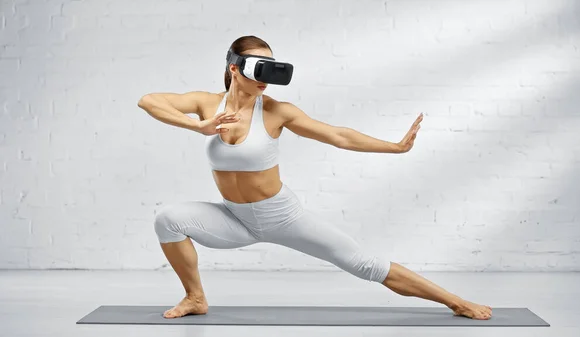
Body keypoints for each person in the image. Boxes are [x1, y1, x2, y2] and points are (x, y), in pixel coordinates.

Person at [137, 35, 492, 320]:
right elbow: (149, 100)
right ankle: (195, 297)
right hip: (233, 217)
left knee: (364, 264)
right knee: (168, 219)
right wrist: (198, 126)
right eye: (260, 68)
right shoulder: (205, 104)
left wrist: (395, 147)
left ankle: (456, 302)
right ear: (234, 68)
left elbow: (338, 135)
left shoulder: (277, 111)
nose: (267, 79)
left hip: (281, 216)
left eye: (272, 68)